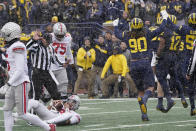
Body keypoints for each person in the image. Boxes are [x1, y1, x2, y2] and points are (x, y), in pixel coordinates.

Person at [0, 22, 56, 131]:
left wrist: (8, 84)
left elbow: (20, 70)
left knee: (22, 114)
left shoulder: (18, 46)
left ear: (12, 34)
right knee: (7, 110)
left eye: (6, 33)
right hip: (14, 82)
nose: (3, 35)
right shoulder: (13, 46)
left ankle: (49, 127)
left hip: (21, 83)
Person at [119, 10, 168, 121]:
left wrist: (117, 24)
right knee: (150, 87)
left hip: (133, 63)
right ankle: (144, 100)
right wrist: (165, 17)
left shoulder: (127, 36)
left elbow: (117, 33)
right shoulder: (147, 33)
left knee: (140, 90)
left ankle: (144, 115)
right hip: (144, 62)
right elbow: (161, 28)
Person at [167, 12, 196, 116]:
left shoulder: (184, 28)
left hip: (187, 57)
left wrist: (167, 19)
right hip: (194, 56)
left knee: (189, 82)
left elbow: (174, 27)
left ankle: (193, 107)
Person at [26, 31, 65, 101]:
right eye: (47, 41)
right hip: (37, 72)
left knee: (55, 93)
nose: (48, 43)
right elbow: (27, 47)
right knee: (36, 95)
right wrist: (33, 40)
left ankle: (57, 110)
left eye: (49, 42)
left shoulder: (50, 48)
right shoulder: (36, 46)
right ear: (43, 39)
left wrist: (62, 64)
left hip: (47, 72)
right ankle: (33, 111)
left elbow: (55, 59)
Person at [50, 22, 74, 99]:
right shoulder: (49, 37)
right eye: (58, 35)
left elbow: (68, 50)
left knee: (63, 88)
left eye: (61, 35)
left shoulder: (68, 37)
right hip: (50, 67)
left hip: (61, 66)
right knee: (48, 92)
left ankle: (62, 108)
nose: (60, 37)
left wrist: (71, 61)